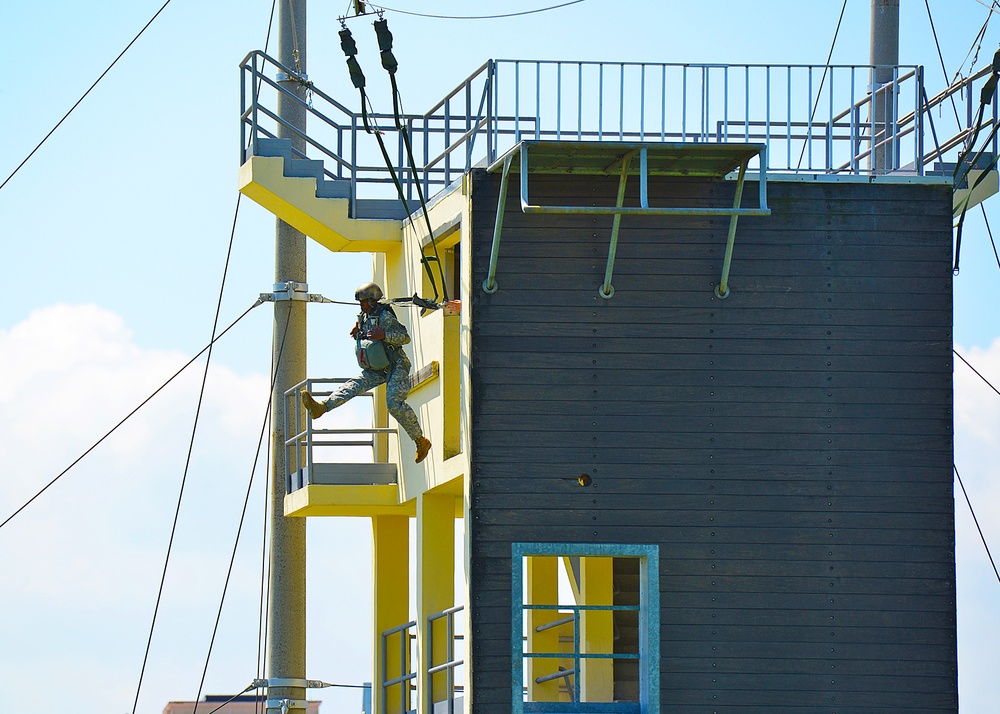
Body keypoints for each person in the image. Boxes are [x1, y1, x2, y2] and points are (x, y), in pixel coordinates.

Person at [301, 282, 432, 464]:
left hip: (396, 365)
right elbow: (369, 338)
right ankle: (322, 407)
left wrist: (384, 335)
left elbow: (405, 337)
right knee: (353, 386)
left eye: (363, 302)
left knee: (393, 403)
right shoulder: (364, 317)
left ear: (372, 301)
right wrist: (358, 333)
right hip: (377, 367)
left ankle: (420, 441)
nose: (361, 305)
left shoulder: (385, 316)